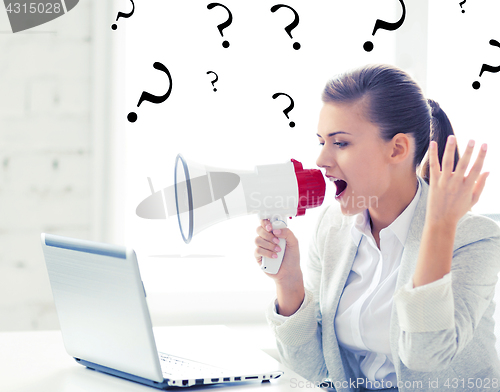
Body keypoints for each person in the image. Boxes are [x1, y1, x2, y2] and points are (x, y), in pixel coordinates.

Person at [254, 64, 500, 392]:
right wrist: (289, 283)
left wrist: (440, 226)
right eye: (321, 142)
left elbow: (425, 355)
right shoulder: (331, 229)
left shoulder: (473, 238)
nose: (321, 159)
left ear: (397, 149)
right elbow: (312, 369)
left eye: (340, 143)